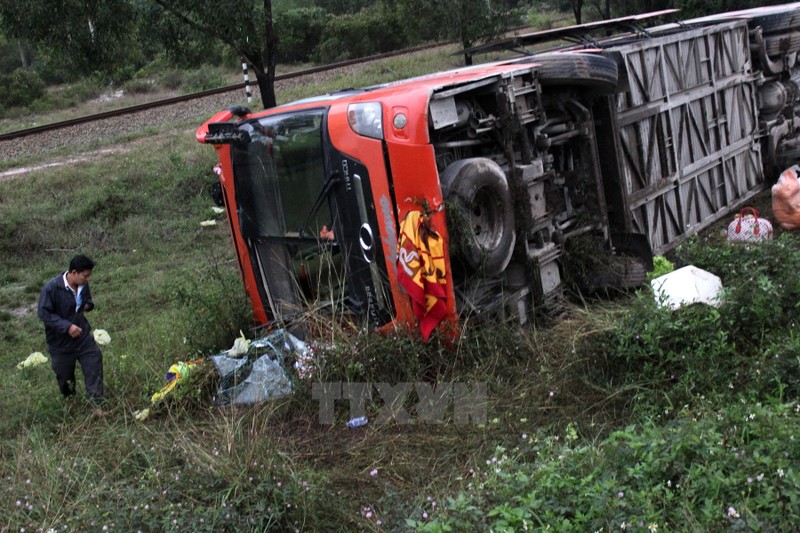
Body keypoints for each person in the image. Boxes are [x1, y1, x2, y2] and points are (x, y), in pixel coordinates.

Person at [37, 254, 107, 416]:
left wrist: (88, 305)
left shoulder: (82, 285)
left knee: (94, 361)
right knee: (65, 376)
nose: (87, 279)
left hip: (82, 338)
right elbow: (44, 313)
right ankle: (71, 406)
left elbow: (87, 301)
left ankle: (96, 407)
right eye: (85, 275)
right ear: (73, 272)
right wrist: (66, 326)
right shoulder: (52, 288)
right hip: (61, 343)